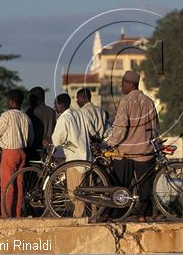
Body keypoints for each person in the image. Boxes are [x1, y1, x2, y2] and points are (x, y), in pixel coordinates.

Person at [106, 70, 160, 222]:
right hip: (145, 152)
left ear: (130, 84)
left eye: (123, 83)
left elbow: (121, 128)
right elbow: (155, 128)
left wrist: (109, 143)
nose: (121, 86)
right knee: (145, 187)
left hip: (125, 152)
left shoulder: (126, 101)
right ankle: (143, 215)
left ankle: (117, 214)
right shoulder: (148, 101)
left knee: (120, 186)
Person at [51, 93, 93, 217]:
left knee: (74, 192)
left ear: (61, 105)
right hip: (86, 157)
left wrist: (50, 140)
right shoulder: (79, 114)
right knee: (87, 190)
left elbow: (56, 140)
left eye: (55, 105)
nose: (54, 107)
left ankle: (78, 217)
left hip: (74, 159)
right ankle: (93, 215)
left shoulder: (64, 118)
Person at [0, 89, 33, 218]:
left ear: (11, 101)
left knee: (7, 186)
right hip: (22, 152)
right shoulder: (25, 117)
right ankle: (17, 214)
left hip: (9, 153)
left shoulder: (6, 115)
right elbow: (30, 139)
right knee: (19, 185)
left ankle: (6, 214)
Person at [25, 86, 57, 161]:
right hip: (49, 148)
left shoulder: (32, 112)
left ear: (37, 98)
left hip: (35, 149)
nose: (29, 101)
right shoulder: (52, 111)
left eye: (31, 98)